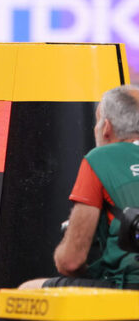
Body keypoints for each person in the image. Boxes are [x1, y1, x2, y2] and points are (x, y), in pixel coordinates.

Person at [20, 84, 139, 290]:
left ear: (107, 127)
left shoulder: (100, 159)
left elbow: (70, 262)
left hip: (129, 288)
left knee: (27, 291)